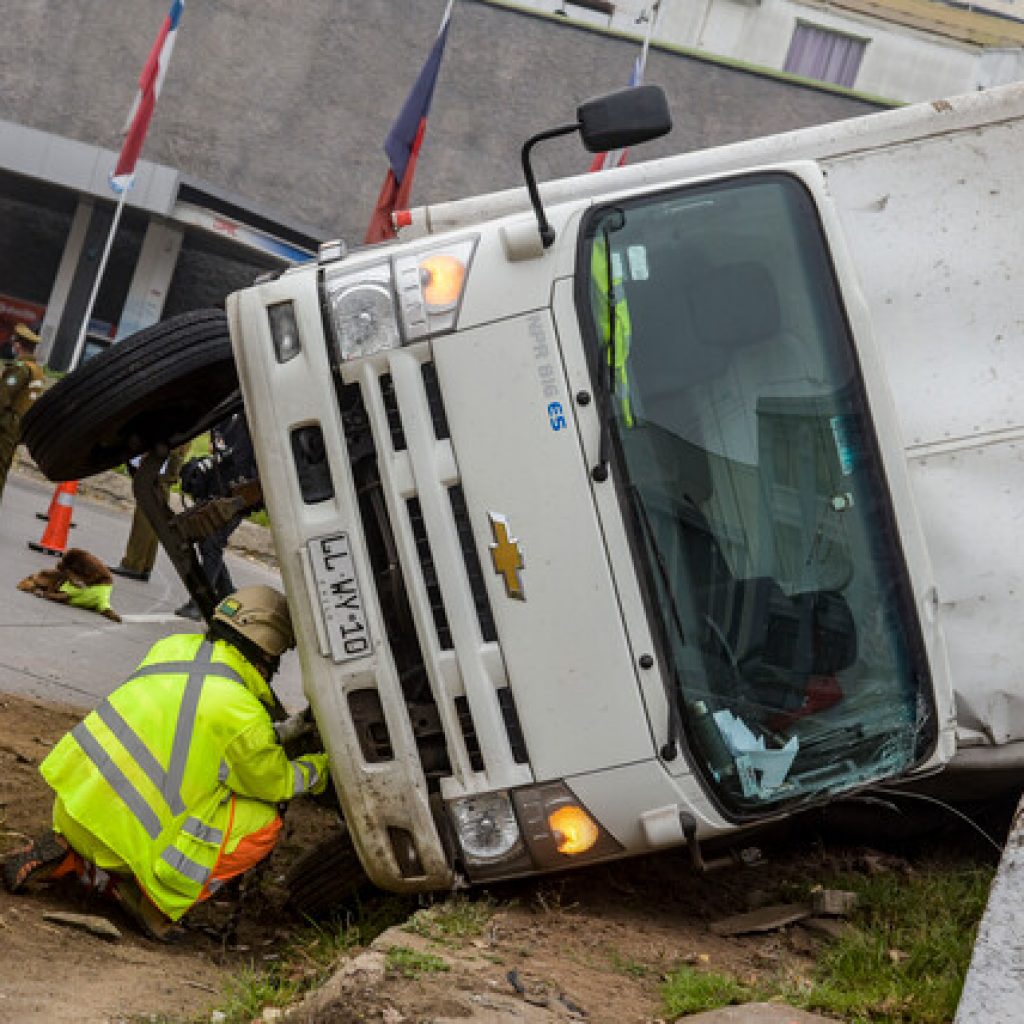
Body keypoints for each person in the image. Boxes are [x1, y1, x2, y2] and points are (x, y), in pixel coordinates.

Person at [2, 585, 329, 941]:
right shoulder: (241, 713)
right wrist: (321, 768)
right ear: (268, 649)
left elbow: (201, 729)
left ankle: (74, 855)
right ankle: (154, 900)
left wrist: (289, 729)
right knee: (264, 822)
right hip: (128, 846)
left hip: (75, 809)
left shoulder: (170, 650)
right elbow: (274, 781)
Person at [176, 413, 258, 621]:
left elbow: (246, 459)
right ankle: (227, 594)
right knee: (207, 543)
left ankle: (201, 603)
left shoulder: (253, 419)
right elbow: (219, 450)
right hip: (218, 488)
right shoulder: (222, 417)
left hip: (241, 493)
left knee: (212, 543)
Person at [109, 445, 189, 583]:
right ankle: (145, 565)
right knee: (156, 512)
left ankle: (134, 564)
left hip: (164, 453)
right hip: (171, 453)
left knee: (146, 512)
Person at [0, 323, 45, 503]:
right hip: (18, 428)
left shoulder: (20, 368)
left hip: (5, 427)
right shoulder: (37, 371)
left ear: (18, 345)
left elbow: (2, 398)